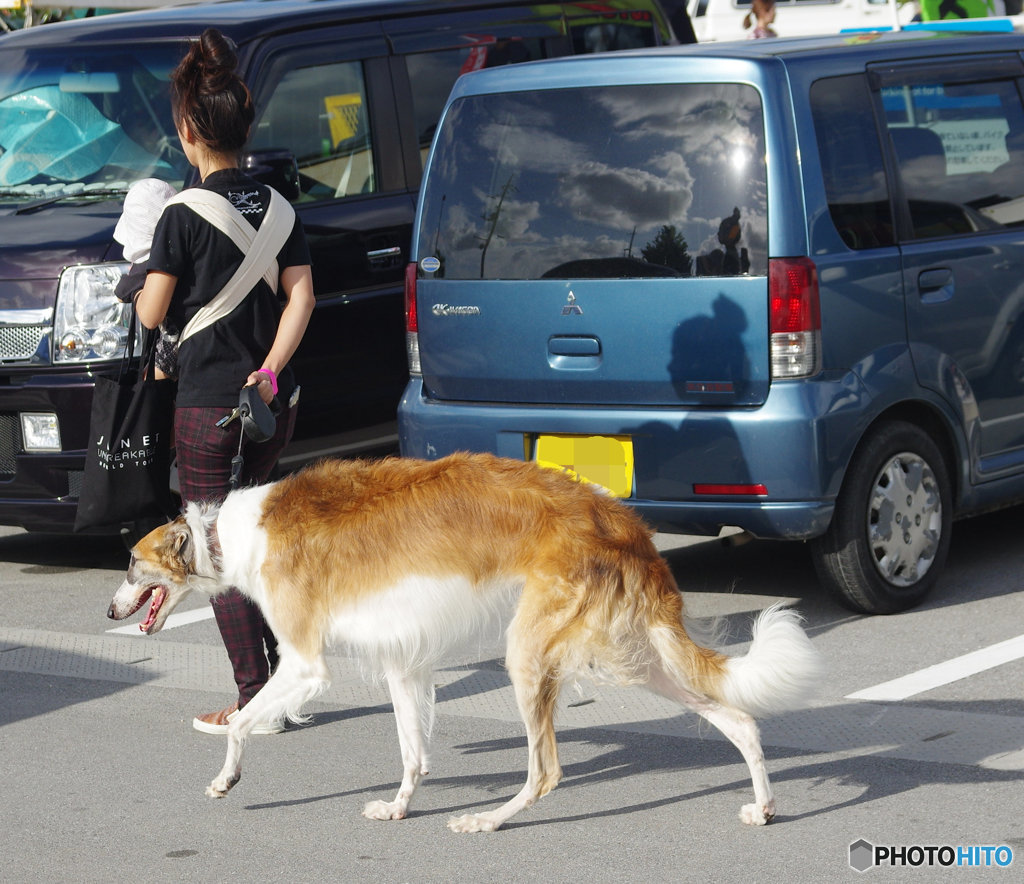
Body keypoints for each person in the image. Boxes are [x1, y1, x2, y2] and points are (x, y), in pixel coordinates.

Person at [135, 28, 315, 735]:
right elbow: (300, 297)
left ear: (187, 130)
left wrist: (145, 274)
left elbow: (152, 310)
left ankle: (255, 700)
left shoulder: (180, 215)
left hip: (207, 405)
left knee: (212, 550)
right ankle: (279, 683)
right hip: (273, 402)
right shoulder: (280, 207)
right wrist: (269, 371)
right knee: (255, 544)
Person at [113, 178, 180, 379]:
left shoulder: (144, 268)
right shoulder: (184, 251)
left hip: (171, 345)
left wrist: (138, 293)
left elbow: (121, 295)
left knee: (149, 385)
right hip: (194, 342)